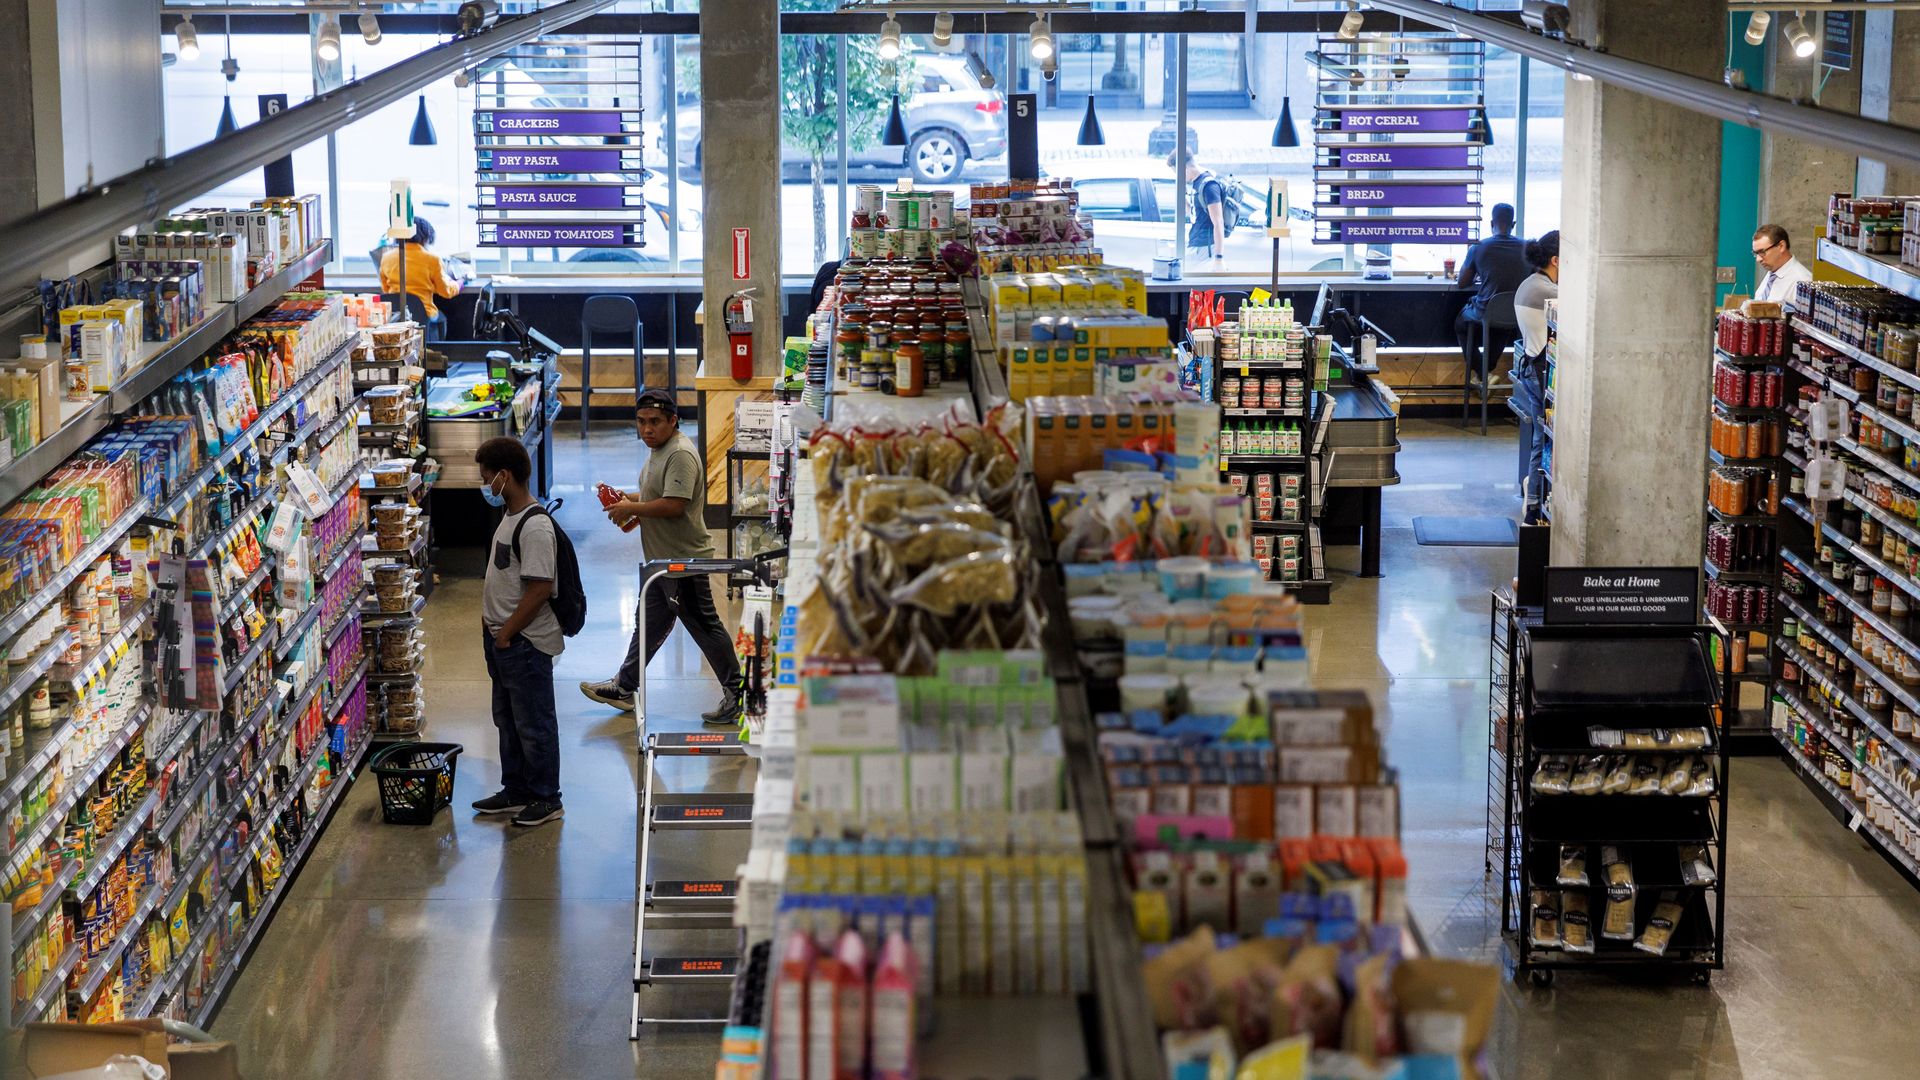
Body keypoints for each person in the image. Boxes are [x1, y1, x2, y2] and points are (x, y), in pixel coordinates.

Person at [578, 389, 743, 724]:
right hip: (660, 563)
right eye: (641, 422)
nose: (646, 429)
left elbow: (674, 504)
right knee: (648, 624)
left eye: (654, 422)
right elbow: (659, 493)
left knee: (705, 628)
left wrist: (632, 508)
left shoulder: (679, 453)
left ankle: (739, 694)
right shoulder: (659, 450)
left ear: (673, 421)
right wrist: (628, 499)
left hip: (683, 563)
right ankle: (625, 686)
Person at [472, 436, 564, 827]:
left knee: (534, 722)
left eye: (486, 477)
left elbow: (541, 588)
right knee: (507, 720)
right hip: (503, 642)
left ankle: (546, 797)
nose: (484, 484)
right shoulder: (509, 517)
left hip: (523, 644)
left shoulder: (535, 526)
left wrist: (508, 632)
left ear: (504, 476)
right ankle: (517, 788)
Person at [1512, 231, 1560, 525]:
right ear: (1556, 260)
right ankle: (1534, 507)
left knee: (1540, 438)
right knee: (1543, 440)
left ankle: (1535, 500)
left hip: (1530, 368)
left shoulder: (1529, 283)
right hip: (1540, 374)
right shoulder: (1549, 292)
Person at [1453, 203, 1530, 385]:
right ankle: (1484, 375)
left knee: (1460, 324)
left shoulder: (1479, 247)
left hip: (1486, 311)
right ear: (1513, 223)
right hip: (1516, 313)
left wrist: (1480, 272)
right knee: (1502, 326)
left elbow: (1462, 283)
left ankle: (1482, 373)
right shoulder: (1527, 248)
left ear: (1490, 223)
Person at [377, 217, 463, 341]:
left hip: (395, 316)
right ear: (426, 237)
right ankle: (437, 350)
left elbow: (385, 289)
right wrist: (460, 283)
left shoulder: (386, 257)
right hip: (423, 314)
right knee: (441, 317)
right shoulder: (432, 259)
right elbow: (446, 291)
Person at [1169, 151, 1229, 265]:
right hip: (1197, 244)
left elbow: (1218, 222)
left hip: (1206, 248)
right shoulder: (1196, 183)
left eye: (1177, 172)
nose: (1177, 176)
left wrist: (1219, 259)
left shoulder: (1209, 186)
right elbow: (1194, 214)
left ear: (1185, 167)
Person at [1752, 223, 1813, 305]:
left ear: (1781, 246)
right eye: (1756, 253)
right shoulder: (1773, 272)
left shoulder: (1803, 282)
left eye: (1762, 252)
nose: (1758, 259)